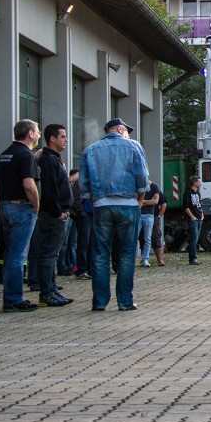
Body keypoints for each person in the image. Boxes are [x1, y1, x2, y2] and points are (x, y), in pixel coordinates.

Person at [79, 118, 148, 311]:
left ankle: (100, 302)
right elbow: (142, 178)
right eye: (126, 130)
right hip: (128, 204)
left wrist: (94, 200)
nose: (128, 133)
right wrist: (140, 200)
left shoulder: (90, 150)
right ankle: (125, 302)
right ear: (119, 128)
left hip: (102, 205)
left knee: (100, 254)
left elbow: (84, 184)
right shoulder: (134, 147)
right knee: (126, 254)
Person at [0, 119, 42, 313]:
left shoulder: (5, 154)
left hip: (5, 206)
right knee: (17, 256)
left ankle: (10, 296)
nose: (39, 135)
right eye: (37, 131)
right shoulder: (26, 155)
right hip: (21, 207)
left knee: (9, 254)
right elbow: (29, 185)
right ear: (30, 133)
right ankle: (14, 299)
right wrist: (36, 205)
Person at [34, 124, 73, 307]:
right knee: (49, 254)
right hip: (52, 215)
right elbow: (49, 190)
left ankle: (52, 289)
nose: (66, 140)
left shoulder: (54, 159)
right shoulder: (48, 160)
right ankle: (47, 293)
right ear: (52, 138)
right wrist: (57, 212)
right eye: (63, 136)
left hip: (57, 213)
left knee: (52, 254)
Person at [138, 180, 161, 267]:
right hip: (139, 214)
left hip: (149, 215)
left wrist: (141, 201)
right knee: (134, 236)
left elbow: (155, 201)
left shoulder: (154, 187)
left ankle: (145, 259)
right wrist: (148, 201)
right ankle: (131, 258)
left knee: (147, 238)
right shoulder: (139, 186)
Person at [183, 175, 203, 265]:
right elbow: (186, 207)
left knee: (196, 238)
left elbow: (199, 205)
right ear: (194, 183)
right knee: (194, 238)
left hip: (199, 217)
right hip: (193, 219)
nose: (200, 183)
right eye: (199, 182)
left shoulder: (197, 193)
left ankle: (194, 257)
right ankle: (193, 258)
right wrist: (192, 216)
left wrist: (202, 214)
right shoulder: (188, 193)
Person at [151, 186, 167, 266]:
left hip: (154, 217)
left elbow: (163, 204)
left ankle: (159, 260)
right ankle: (144, 259)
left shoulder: (155, 188)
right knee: (143, 238)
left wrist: (159, 216)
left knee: (156, 237)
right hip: (141, 216)